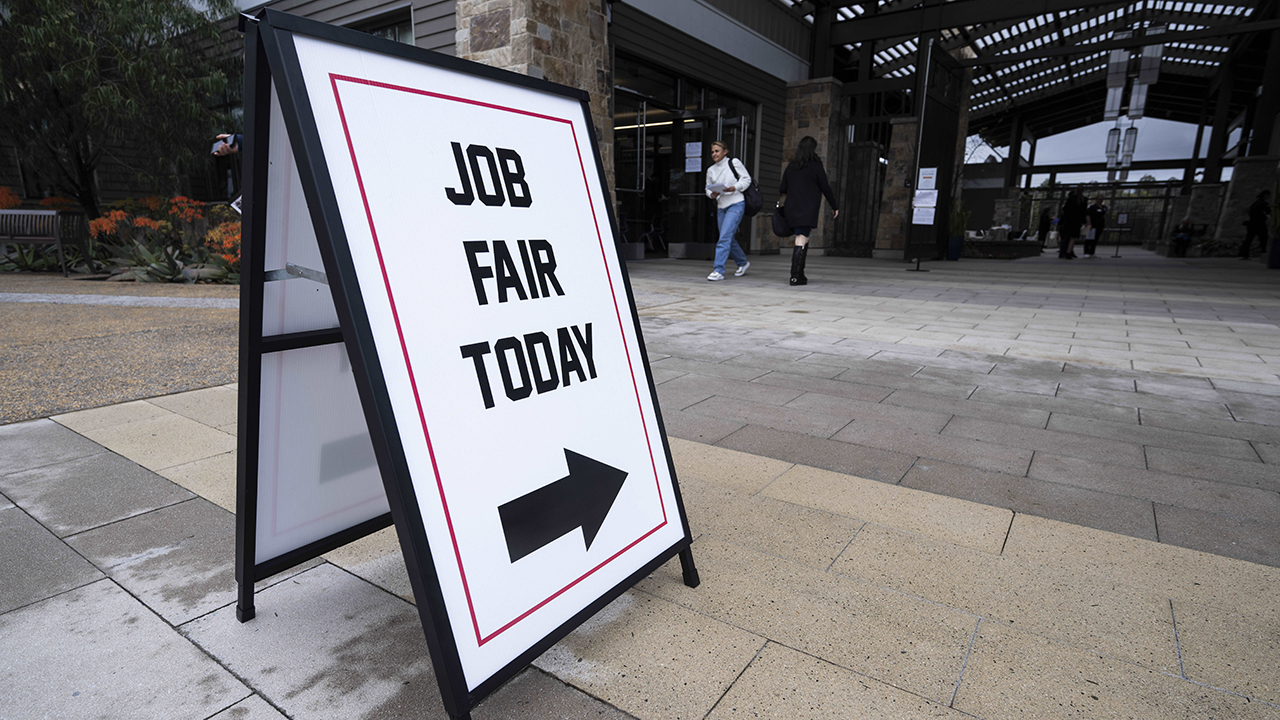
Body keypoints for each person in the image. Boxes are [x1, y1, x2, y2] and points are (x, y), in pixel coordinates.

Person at [778, 136, 839, 286]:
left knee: (801, 238)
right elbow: (825, 187)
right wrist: (834, 206)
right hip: (807, 208)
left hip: (792, 207)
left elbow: (782, 188)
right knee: (802, 238)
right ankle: (795, 276)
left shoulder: (792, 166)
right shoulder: (815, 165)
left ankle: (799, 274)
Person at [703, 140, 752, 281]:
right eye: (712, 151)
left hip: (736, 203)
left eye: (717, 151)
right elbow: (707, 187)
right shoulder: (710, 170)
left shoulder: (734, 163)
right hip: (721, 206)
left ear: (725, 151)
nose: (714, 154)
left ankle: (718, 270)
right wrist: (711, 194)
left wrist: (734, 187)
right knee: (728, 237)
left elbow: (746, 179)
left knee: (724, 237)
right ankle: (743, 262)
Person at [1238, 190, 1272, 260]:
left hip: (1252, 223)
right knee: (1263, 239)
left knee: (1249, 239)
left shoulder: (1255, 203)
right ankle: (1263, 253)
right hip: (1260, 224)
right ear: (1265, 195)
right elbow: (1268, 214)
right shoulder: (1263, 204)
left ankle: (1243, 254)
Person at [1058, 190, 1087, 259]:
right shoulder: (1080, 203)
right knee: (1071, 237)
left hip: (1068, 222)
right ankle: (1068, 251)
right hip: (1075, 222)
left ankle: (1064, 252)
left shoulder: (1069, 205)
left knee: (1066, 238)